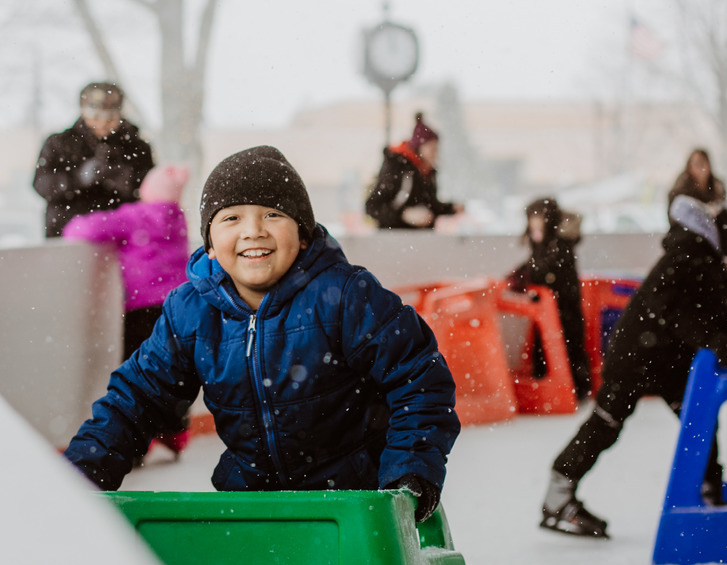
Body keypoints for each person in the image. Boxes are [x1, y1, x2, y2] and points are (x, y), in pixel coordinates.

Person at [63, 146, 461, 524]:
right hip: (253, 505)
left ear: (303, 235)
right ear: (211, 245)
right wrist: (78, 476)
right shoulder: (192, 312)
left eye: (272, 215)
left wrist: (408, 474)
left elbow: (419, 380)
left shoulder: (345, 295)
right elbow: (137, 398)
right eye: (231, 218)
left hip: (357, 501)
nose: (253, 231)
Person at [539, 195, 727, 539]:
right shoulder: (692, 254)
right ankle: (557, 498)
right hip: (637, 354)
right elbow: (670, 310)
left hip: (667, 359)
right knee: (607, 423)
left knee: (701, 419)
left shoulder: (705, 257)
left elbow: (708, 316)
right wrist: (714, 338)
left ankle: (708, 494)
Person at [62, 165, 192, 456]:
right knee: (173, 373)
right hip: (177, 307)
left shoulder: (135, 217)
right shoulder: (177, 218)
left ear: (146, 191)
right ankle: (176, 432)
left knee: (136, 374)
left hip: (142, 310)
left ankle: (136, 438)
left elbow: (79, 229)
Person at [33, 82, 155, 238]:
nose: (102, 124)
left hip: (121, 237)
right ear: (83, 112)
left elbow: (153, 192)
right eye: (95, 116)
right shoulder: (60, 143)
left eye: (110, 118)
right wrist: (78, 178)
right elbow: (41, 184)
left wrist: (126, 180)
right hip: (67, 234)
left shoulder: (136, 147)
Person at [508, 198, 591, 401]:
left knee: (565, 346)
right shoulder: (542, 242)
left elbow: (548, 272)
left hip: (563, 308)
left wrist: (526, 277)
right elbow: (536, 267)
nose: (534, 222)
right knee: (548, 346)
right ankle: (552, 390)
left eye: (539, 217)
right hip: (549, 310)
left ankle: (569, 390)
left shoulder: (559, 245)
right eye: (532, 217)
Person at [365, 112, 464, 229]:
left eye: (436, 148)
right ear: (419, 148)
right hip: (394, 239)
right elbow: (373, 207)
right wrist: (404, 215)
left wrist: (450, 208)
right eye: (431, 148)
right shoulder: (398, 168)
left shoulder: (428, 172)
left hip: (421, 240)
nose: (435, 154)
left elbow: (429, 205)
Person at [667, 148, 726, 213]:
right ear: (690, 167)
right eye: (696, 164)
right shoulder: (682, 184)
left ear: (708, 165)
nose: (700, 168)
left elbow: (721, 208)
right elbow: (675, 210)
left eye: (702, 163)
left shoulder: (717, 186)